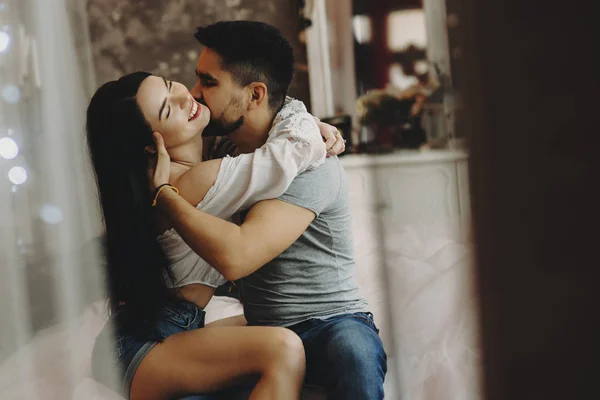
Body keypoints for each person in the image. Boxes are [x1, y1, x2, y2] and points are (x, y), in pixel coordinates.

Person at [150, 21, 387, 400]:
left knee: (355, 354)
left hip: (332, 322)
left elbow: (238, 256)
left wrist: (164, 195)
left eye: (208, 82)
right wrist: (312, 125)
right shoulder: (227, 153)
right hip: (264, 328)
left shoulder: (313, 165)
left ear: (255, 94)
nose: (195, 93)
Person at [87, 70, 344, 400]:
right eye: (168, 109)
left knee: (295, 322)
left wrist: (311, 126)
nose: (184, 98)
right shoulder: (187, 184)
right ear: (152, 145)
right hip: (139, 351)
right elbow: (289, 154)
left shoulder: (204, 166)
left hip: (164, 332)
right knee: (284, 347)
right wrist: (309, 124)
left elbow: (285, 146)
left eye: (170, 86)